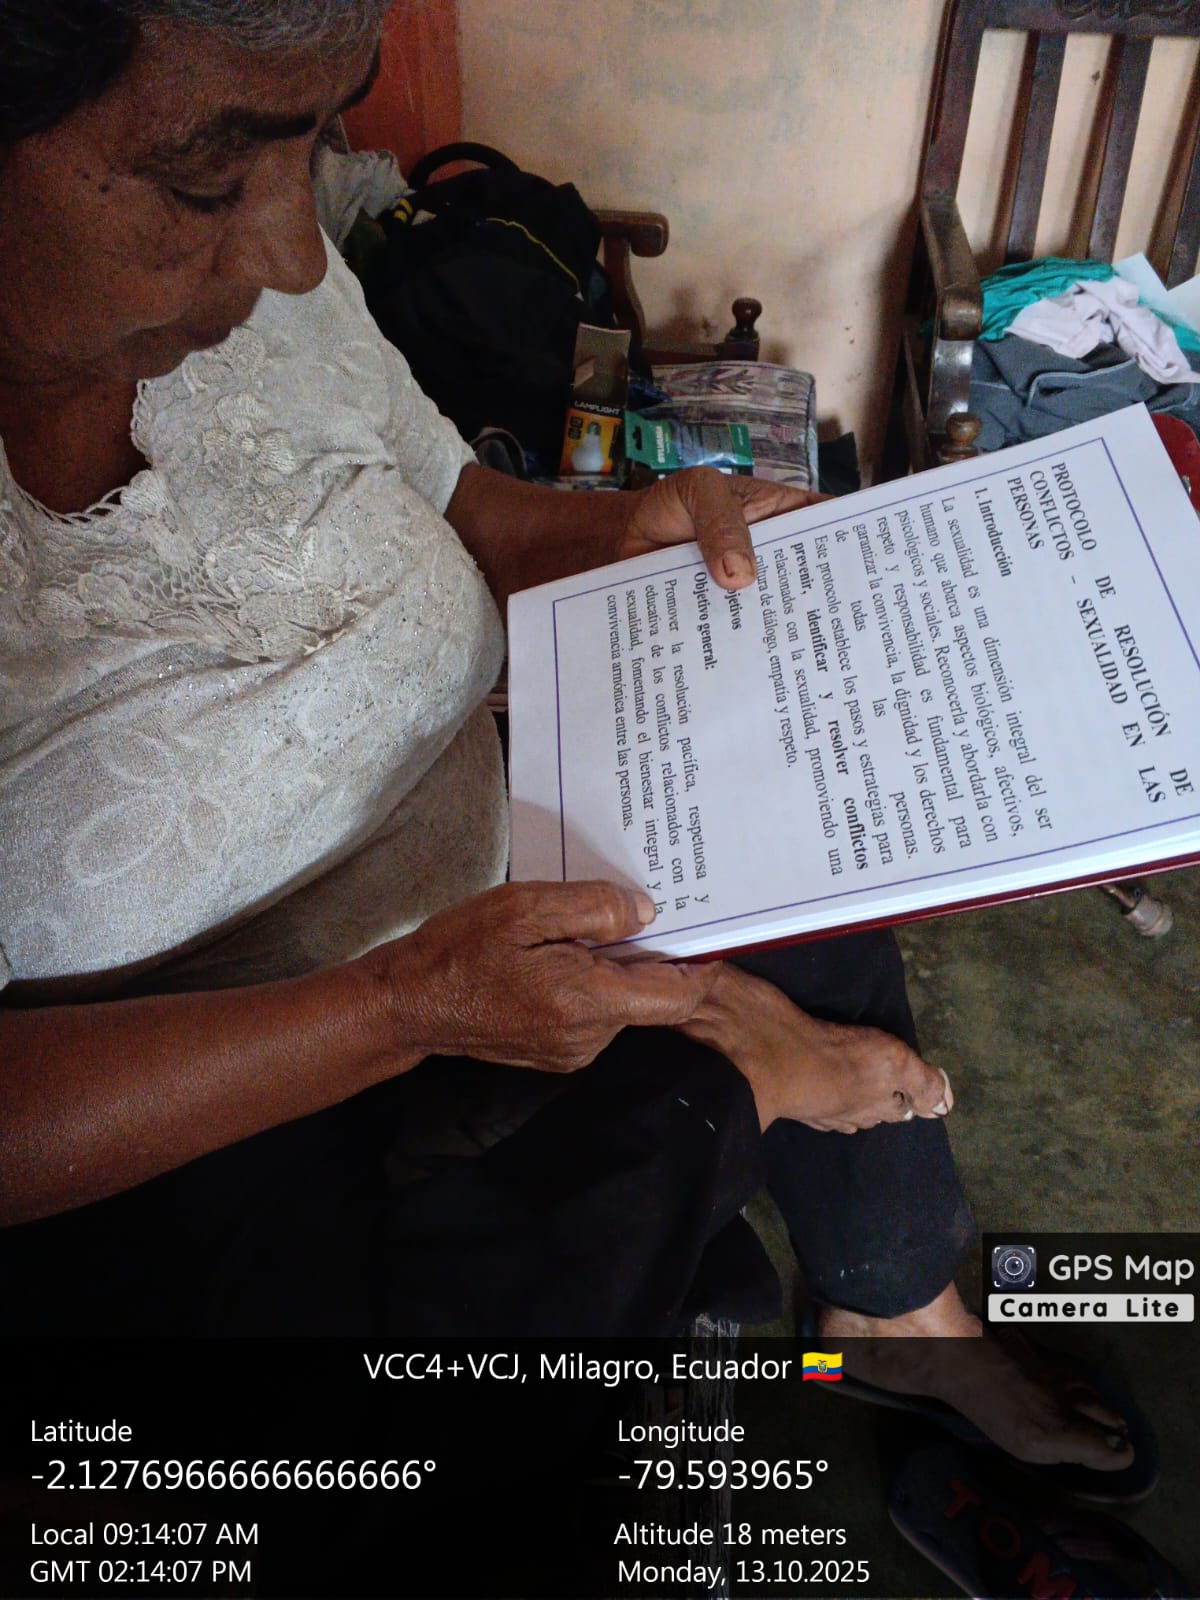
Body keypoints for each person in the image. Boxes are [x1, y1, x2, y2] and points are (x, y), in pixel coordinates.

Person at [0, 0, 1135, 1478]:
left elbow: (464, 508)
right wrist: (403, 1009)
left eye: (317, 143)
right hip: (211, 1146)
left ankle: (895, 1306)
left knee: (822, 822)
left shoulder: (267, 301)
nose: (295, 252)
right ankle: (758, 1096)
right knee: (598, 1240)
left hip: (496, 867)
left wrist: (618, 535)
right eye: (208, 180)